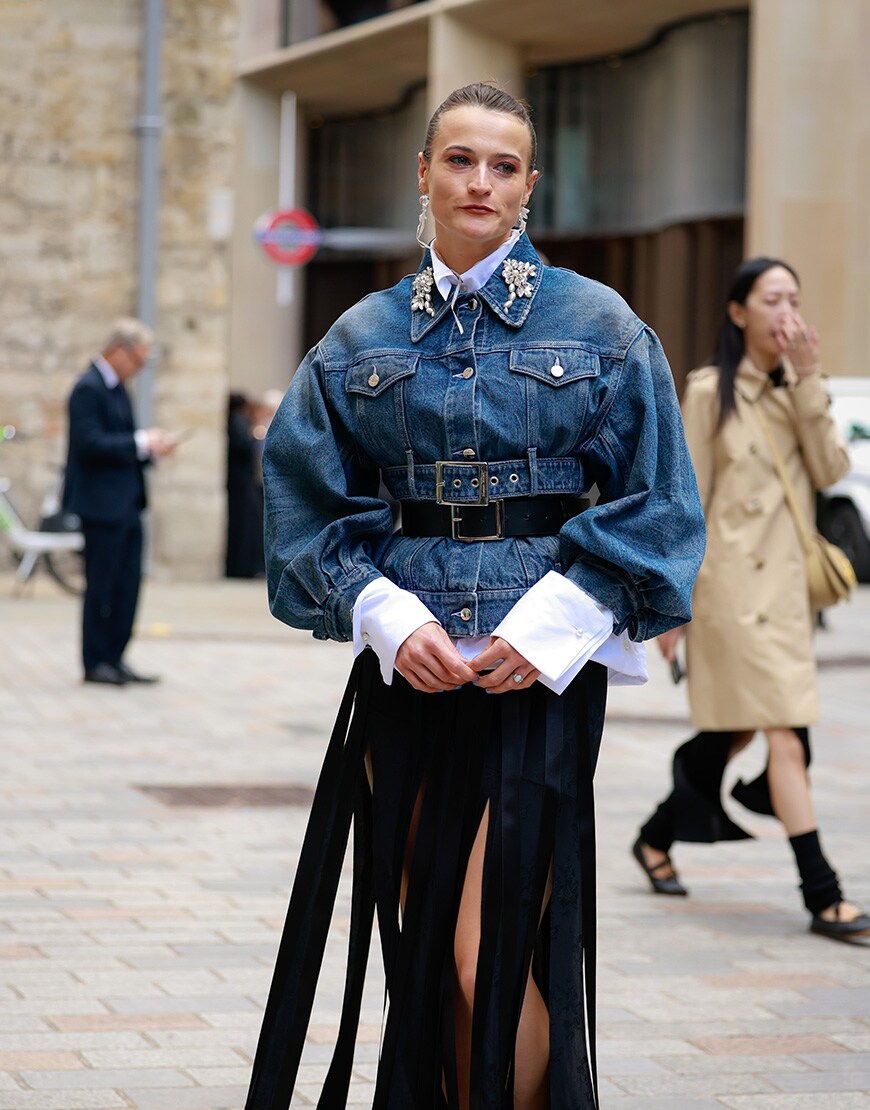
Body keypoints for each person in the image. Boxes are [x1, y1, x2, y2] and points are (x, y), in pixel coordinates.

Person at [245, 84, 705, 1110]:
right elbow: (301, 510)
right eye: (460, 159)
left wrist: (557, 626)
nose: (480, 182)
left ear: (530, 186)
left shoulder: (601, 320)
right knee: (425, 962)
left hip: (533, 681)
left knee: (482, 957)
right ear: (423, 172)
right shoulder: (359, 336)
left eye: (503, 165)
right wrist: (384, 615)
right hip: (406, 680)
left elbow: (663, 508)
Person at [632, 257, 870, 942]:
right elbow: (686, 499)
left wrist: (810, 379)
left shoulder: (797, 389)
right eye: (772, 298)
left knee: (735, 729)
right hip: (730, 593)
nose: (786, 310)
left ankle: (655, 836)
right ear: (739, 312)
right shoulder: (710, 391)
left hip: (789, 596)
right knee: (785, 735)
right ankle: (824, 895)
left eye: (794, 297)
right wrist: (671, 602)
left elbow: (830, 470)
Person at [64, 317, 176, 685]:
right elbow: (90, 445)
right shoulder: (88, 388)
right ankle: (95, 661)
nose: (139, 369)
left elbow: (122, 446)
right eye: (138, 361)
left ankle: (115, 656)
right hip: (101, 507)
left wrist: (150, 451)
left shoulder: (116, 389)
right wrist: (140, 442)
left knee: (127, 586)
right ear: (117, 350)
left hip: (127, 503)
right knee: (102, 586)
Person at [225, 392, 262, 578]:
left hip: (240, 482)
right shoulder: (239, 421)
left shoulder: (236, 421)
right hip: (242, 482)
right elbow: (244, 445)